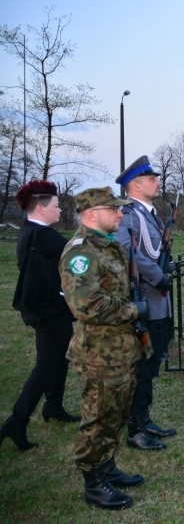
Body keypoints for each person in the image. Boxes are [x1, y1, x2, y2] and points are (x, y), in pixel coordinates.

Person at [59, 186, 152, 511]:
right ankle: (93, 481)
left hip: (121, 350)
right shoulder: (80, 253)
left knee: (116, 413)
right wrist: (133, 311)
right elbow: (86, 305)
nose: (119, 214)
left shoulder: (108, 247)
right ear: (92, 214)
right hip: (99, 353)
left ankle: (107, 465)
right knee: (98, 416)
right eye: (113, 209)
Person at [1, 180, 79, 452]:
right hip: (49, 312)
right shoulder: (42, 235)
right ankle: (16, 422)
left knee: (59, 360)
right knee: (46, 366)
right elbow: (77, 253)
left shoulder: (29, 232)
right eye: (57, 206)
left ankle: (53, 407)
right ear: (42, 208)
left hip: (50, 309)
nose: (60, 210)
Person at [115, 156, 177, 451]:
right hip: (145, 301)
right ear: (136, 185)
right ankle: (135, 429)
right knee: (142, 367)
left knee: (152, 365)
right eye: (152, 179)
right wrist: (158, 276)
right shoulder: (128, 215)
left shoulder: (151, 214)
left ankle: (145, 420)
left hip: (158, 304)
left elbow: (155, 251)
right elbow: (127, 253)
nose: (158, 182)